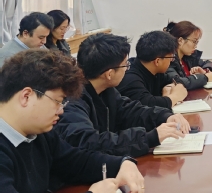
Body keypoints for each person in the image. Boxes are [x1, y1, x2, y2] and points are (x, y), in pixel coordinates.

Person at [0, 49, 145, 193]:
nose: (61, 111)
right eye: (58, 101)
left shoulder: (38, 133)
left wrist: (122, 163)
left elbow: (75, 162)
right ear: (26, 96)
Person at [55, 33, 190, 157]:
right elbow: (91, 142)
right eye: (125, 65)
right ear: (109, 74)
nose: (127, 69)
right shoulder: (72, 101)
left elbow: (130, 111)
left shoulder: (106, 90)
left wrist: (165, 116)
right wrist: (150, 137)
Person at [117, 31, 188, 109]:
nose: (171, 60)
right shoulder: (130, 78)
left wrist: (169, 87)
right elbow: (146, 104)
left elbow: (175, 80)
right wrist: (174, 97)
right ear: (157, 61)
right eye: (171, 57)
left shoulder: (155, 71)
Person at [163, 20, 212, 90]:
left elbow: (209, 64)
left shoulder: (188, 57)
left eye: (197, 42)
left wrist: (204, 71)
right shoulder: (169, 59)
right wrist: (206, 77)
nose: (196, 46)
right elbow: (178, 82)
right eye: (194, 41)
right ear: (180, 41)